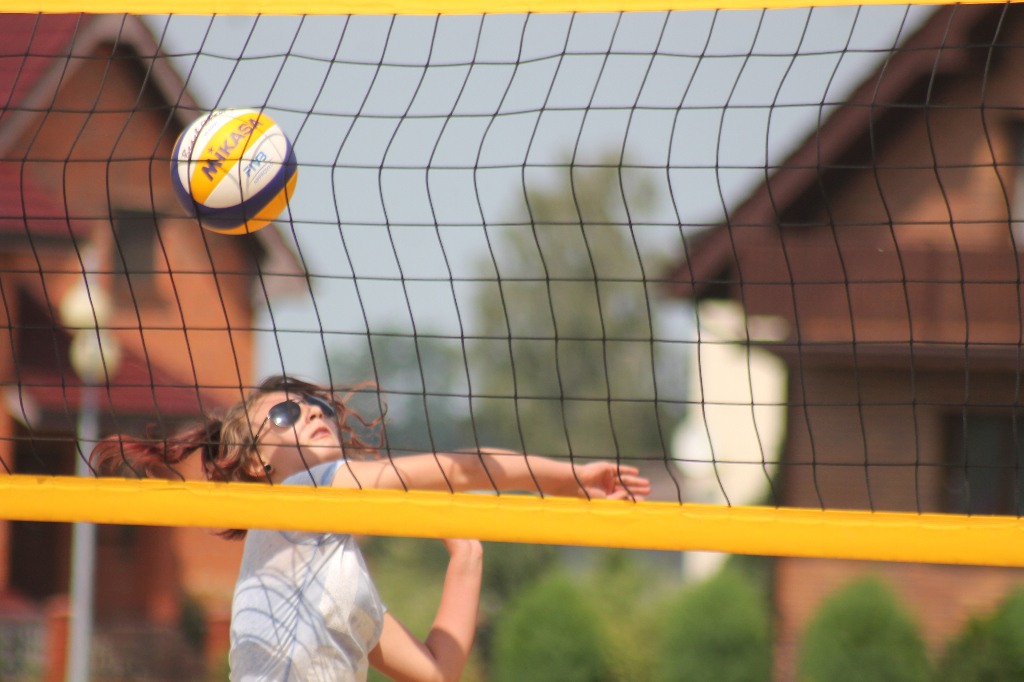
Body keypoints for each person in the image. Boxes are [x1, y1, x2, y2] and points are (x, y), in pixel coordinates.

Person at [91, 375, 650, 682]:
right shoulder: (310, 490)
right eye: (285, 415)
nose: (312, 413)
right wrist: (569, 478)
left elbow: (435, 672)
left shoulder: (339, 583)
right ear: (258, 463)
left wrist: (466, 555)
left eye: (315, 406)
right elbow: (466, 467)